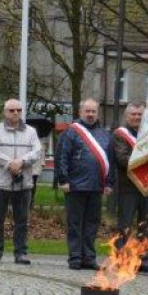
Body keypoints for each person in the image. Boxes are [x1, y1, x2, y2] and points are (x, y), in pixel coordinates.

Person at [55, 98, 114, 270]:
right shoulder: (71, 132)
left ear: (98, 113)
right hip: (75, 186)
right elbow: (62, 157)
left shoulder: (105, 134)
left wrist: (109, 182)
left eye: (93, 111)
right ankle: (75, 257)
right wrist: (63, 180)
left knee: (92, 224)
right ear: (80, 112)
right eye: (87, 111)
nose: (90, 114)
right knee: (74, 224)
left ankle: (89, 257)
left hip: (97, 187)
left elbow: (110, 161)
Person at [0, 98, 43, 264]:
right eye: (12, 110)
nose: (16, 113)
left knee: (22, 221)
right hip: (0, 183)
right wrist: (9, 163)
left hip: (23, 183)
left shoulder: (31, 132)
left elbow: (36, 151)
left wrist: (22, 162)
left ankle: (21, 253)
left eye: (18, 110)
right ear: (5, 112)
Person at [111, 101, 148, 273]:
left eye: (139, 114)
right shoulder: (120, 135)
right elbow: (122, 159)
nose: (136, 117)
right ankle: (122, 258)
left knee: (146, 225)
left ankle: (143, 259)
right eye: (133, 114)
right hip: (128, 186)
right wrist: (146, 160)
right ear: (126, 116)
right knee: (125, 225)